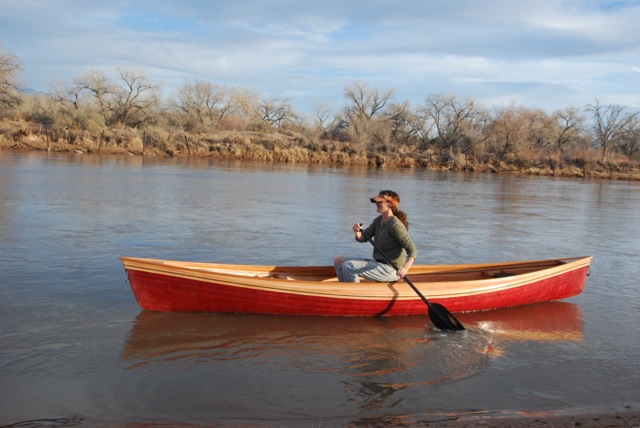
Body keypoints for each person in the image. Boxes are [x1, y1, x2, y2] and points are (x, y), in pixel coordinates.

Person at [334, 190, 417, 283]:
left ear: (390, 204)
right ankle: (346, 288)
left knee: (348, 266)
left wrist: (405, 269)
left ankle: (355, 293)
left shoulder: (395, 225)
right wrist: (357, 231)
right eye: (376, 202)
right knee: (339, 261)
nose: (376, 204)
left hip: (391, 269)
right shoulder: (378, 220)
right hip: (378, 263)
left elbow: (412, 250)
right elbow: (363, 238)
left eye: (379, 202)